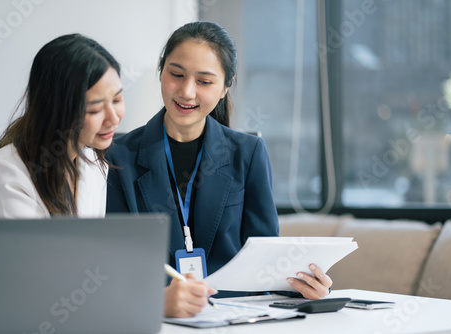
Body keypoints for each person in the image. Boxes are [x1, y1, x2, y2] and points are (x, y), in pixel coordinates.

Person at [106, 21, 332, 318]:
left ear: (226, 87)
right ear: (161, 70)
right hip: (156, 318)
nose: (187, 92)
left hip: (235, 317)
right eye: (176, 75)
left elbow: (266, 255)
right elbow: (114, 263)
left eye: (204, 81)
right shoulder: (117, 156)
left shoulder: (248, 153)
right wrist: (156, 302)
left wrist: (306, 286)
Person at [0, 33, 125, 221]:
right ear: (57, 109)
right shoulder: (8, 174)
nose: (113, 118)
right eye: (95, 109)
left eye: (117, 99)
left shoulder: (92, 161)